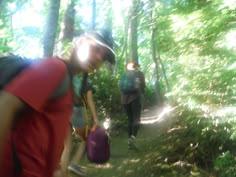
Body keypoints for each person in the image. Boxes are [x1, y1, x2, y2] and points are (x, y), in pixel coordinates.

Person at [0, 29, 115, 177]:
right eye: (96, 48)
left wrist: (55, 169)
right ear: (80, 42)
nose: (99, 57)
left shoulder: (68, 85)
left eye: (104, 56)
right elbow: (6, 104)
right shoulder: (55, 68)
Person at [60, 73, 99, 177]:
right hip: (78, 112)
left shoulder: (68, 78)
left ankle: (64, 173)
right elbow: (90, 101)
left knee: (67, 146)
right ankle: (74, 164)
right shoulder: (86, 82)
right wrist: (95, 118)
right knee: (86, 139)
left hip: (64, 112)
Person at [120, 61, 145, 149]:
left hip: (124, 100)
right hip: (135, 98)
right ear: (136, 67)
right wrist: (143, 96)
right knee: (136, 119)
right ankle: (133, 138)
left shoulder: (124, 74)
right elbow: (143, 87)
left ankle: (129, 141)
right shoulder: (140, 74)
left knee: (130, 119)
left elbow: (121, 88)